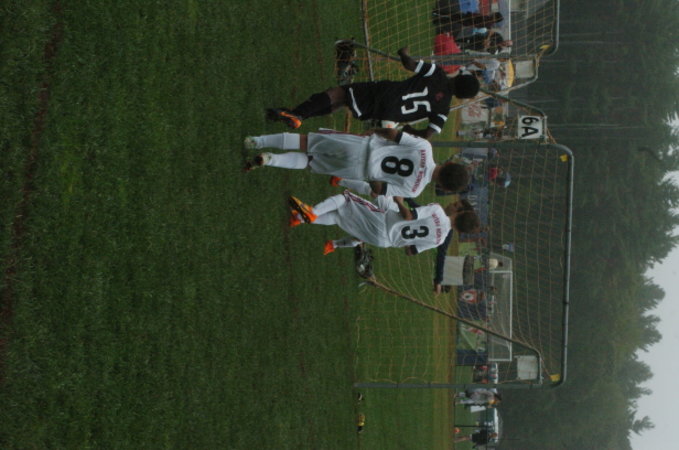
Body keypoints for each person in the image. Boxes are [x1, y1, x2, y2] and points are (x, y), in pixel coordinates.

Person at [266, 47, 480, 140]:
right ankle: (298, 115)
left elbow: (409, 64)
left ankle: (297, 115)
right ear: (461, 96)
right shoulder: (443, 110)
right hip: (387, 115)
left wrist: (403, 53)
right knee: (344, 102)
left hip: (385, 93)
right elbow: (428, 135)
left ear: (459, 78)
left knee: (337, 93)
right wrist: (409, 130)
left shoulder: (438, 74)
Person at [243, 128, 470, 198]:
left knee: (307, 141)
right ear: (444, 186)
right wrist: (372, 179)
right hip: (359, 170)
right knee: (310, 162)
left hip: (363, 147)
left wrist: (375, 131)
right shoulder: (414, 190)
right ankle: (271, 160)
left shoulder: (425, 148)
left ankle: (258, 141)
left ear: (449, 164)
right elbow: (379, 189)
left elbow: (394, 134)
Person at [287, 192, 481, 255]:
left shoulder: (437, 210)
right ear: (460, 231)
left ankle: (312, 213)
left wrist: (399, 201)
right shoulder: (440, 240)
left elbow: (408, 216)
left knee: (346, 199)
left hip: (385, 221)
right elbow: (410, 251)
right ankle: (298, 219)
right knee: (339, 218)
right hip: (384, 241)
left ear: (462, 212)